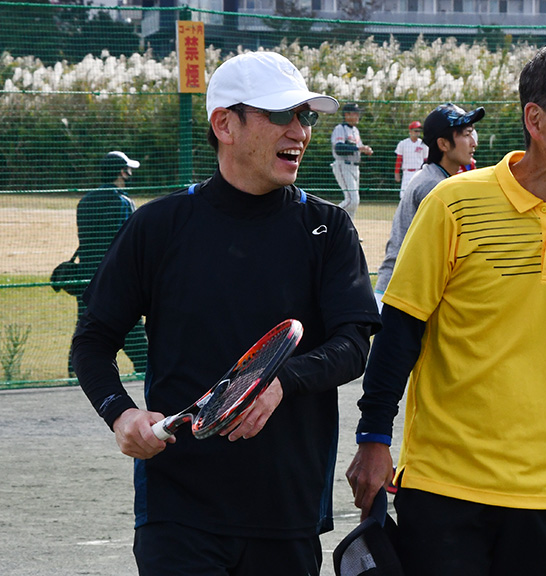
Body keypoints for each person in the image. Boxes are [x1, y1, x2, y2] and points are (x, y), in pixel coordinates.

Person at [71, 51, 381, 575]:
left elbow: (354, 344)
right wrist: (120, 413)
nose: (300, 131)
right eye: (282, 115)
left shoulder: (327, 228)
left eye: (305, 116)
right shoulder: (158, 227)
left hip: (287, 507)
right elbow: (94, 339)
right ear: (225, 124)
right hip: (177, 510)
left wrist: (283, 380)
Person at [345, 45, 546, 575]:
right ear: (536, 120)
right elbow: (401, 329)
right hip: (445, 487)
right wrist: (374, 437)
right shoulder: (453, 203)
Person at [374, 103, 485, 310]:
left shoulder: (436, 177)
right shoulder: (432, 186)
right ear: (443, 144)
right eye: (467, 134)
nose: (473, 143)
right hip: (401, 297)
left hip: (402, 292)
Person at [70, 150, 148, 377]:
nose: (130, 173)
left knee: (87, 332)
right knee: (135, 339)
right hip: (117, 279)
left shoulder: (85, 201)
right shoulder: (123, 202)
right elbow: (128, 242)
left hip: (87, 276)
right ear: (121, 171)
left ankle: (73, 376)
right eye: (128, 169)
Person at [332, 102, 374, 217]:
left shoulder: (355, 130)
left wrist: (365, 149)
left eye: (357, 113)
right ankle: (330, 217)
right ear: (346, 115)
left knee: (354, 203)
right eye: (355, 113)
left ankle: (348, 232)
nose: (357, 116)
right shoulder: (340, 128)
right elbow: (339, 148)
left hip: (355, 167)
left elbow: (358, 147)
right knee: (352, 200)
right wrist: (359, 148)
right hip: (343, 165)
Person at [394, 120, 428, 196]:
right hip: (407, 172)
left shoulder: (423, 144)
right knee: (404, 195)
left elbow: (426, 160)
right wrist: (396, 172)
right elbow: (399, 159)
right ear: (410, 131)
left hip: (419, 172)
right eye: (415, 131)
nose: (417, 133)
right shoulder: (403, 143)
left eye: (419, 131)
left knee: (419, 194)